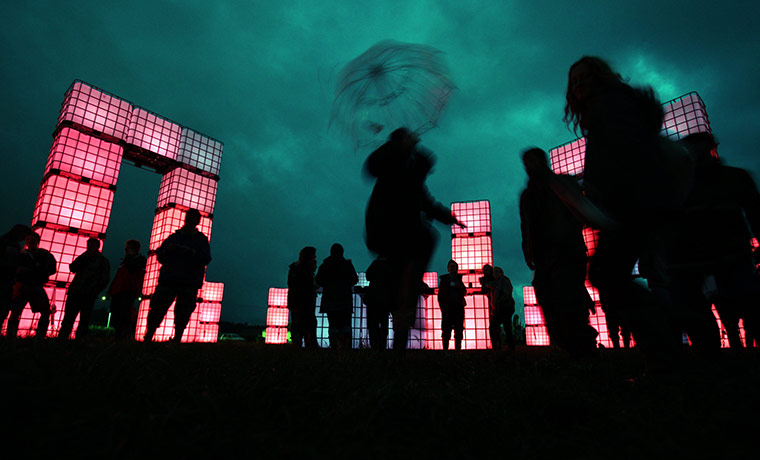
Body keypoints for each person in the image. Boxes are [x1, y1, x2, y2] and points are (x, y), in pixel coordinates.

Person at [564, 56, 686, 362]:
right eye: (573, 81)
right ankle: (664, 342)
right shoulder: (611, 107)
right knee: (610, 273)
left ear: (599, 77)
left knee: (606, 273)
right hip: (642, 200)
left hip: (634, 202)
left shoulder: (611, 106)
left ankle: (664, 339)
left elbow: (626, 152)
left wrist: (596, 190)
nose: (578, 84)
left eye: (583, 77)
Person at [364, 127, 464, 351]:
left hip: (399, 237)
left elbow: (429, 204)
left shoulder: (415, 184)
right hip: (387, 232)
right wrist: (398, 143)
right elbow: (372, 166)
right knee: (425, 238)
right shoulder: (393, 168)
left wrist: (450, 218)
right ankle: (402, 301)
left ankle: (403, 310)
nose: (425, 177)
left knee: (420, 246)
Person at [667, 132, 760, 349]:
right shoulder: (733, 177)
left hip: (718, 251)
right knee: (740, 300)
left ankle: (712, 354)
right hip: (707, 252)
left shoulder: (682, 183)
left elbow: (755, 213)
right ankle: (712, 352)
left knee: (742, 300)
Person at [519, 147, 597, 356]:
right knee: (548, 296)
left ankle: (582, 344)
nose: (529, 167)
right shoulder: (528, 195)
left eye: (532, 162)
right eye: (526, 163)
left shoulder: (562, 184)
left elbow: (578, 211)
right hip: (546, 254)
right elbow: (526, 225)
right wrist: (528, 250)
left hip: (567, 250)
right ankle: (570, 344)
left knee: (568, 298)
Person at [144, 209, 211, 343]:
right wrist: (168, 251)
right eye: (188, 218)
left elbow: (206, 259)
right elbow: (160, 255)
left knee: (183, 312)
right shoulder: (174, 237)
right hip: (170, 279)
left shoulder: (201, 240)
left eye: (193, 219)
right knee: (158, 308)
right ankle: (148, 336)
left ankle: (177, 339)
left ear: (197, 221)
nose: (190, 221)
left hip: (188, 281)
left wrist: (190, 252)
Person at [6, 231, 57, 339]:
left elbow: (52, 269)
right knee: (15, 312)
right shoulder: (22, 254)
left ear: (37, 241)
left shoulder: (43, 254)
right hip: (23, 285)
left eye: (32, 240)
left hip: (33, 285)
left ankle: (38, 337)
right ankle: (11, 337)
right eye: (28, 239)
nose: (30, 242)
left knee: (44, 312)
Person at [59, 237, 111, 340]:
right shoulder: (85, 257)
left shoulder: (102, 260)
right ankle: (64, 339)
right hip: (77, 291)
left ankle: (77, 339)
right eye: (89, 244)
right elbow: (73, 268)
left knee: (83, 319)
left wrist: (94, 290)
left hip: (87, 293)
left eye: (92, 245)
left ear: (97, 246)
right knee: (69, 318)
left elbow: (104, 279)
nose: (90, 247)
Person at [315, 243, 359, 350]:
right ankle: (346, 346)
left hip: (330, 300)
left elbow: (318, 280)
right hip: (345, 300)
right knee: (346, 325)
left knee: (333, 325)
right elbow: (355, 280)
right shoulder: (347, 264)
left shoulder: (325, 265)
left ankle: (334, 346)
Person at [108, 239, 146, 342]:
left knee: (125, 312)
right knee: (116, 312)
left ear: (133, 249)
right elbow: (118, 276)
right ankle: (118, 334)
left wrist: (129, 258)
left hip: (129, 290)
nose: (125, 250)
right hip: (119, 290)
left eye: (127, 248)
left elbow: (132, 269)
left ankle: (124, 335)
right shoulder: (126, 260)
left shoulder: (139, 260)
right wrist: (111, 290)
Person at [0, 224, 32, 328]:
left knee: (4, 311)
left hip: (9, 282)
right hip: (5, 281)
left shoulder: (15, 246)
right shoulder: (6, 244)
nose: (23, 239)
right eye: (23, 236)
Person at [288, 246, 318, 348]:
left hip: (296, 301)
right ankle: (309, 344)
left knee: (298, 323)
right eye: (314, 255)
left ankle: (298, 344)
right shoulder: (304, 269)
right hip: (304, 302)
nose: (315, 257)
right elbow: (307, 286)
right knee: (308, 323)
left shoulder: (295, 268)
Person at [363, 256, 393, 350]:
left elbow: (368, 276)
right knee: (384, 325)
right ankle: (382, 346)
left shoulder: (375, 264)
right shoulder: (390, 266)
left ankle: (374, 346)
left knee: (373, 325)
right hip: (385, 300)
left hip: (373, 300)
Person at [437, 260, 467, 350]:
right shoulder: (444, 280)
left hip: (458, 308)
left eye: (454, 267)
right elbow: (440, 295)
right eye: (451, 266)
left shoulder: (459, 280)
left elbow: (464, 291)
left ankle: (458, 349)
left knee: (458, 329)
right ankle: (445, 349)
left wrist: (459, 286)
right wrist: (443, 308)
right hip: (448, 308)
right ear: (448, 268)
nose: (452, 268)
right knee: (446, 330)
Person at [484, 266, 516, 350]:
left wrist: (498, 303)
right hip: (498, 309)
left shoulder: (504, 282)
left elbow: (506, 294)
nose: (495, 274)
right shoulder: (495, 283)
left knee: (506, 327)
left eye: (497, 272)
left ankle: (509, 346)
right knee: (496, 327)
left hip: (505, 308)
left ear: (501, 273)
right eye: (494, 272)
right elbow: (488, 285)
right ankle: (497, 346)